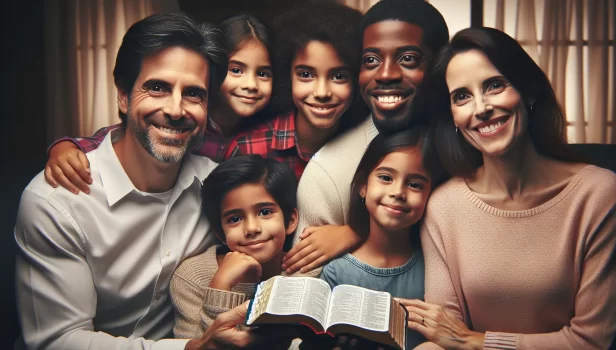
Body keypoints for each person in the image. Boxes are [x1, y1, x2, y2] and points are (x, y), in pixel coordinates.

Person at [14, 13, 281, 350]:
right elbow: (57, 341)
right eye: (157, 87)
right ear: (123, 96)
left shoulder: (217, 186)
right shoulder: (57, 201)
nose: (175, 109)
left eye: (194, 94)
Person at [398, 27, 616, 350]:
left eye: (494, 85)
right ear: (453, 116)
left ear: (528, 91)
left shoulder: (599, 195)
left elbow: (590, 341)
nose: (481, 109)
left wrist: (475, 341)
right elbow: (446, 336)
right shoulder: (443, 205)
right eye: (462, 96)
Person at [283, 0, 449, 275]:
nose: (385, 75)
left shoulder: (471, 148)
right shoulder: (329, 172)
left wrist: (357, 231)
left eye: (407, 59)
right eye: (371, 60)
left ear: (439, 64)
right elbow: (299, 292)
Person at [43, 14, 275, 194]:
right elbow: (114, 137)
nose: (250, 84)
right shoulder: (197, 124)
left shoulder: (265, 133)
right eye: (236, 70)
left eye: (264, 73)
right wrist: (65, 148)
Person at [320, 128, 443, 349]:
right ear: (363, 187)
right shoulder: (337, 273)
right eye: (386, 178)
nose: (398, 192)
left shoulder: (434, 267)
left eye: (415, 184)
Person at [226, 1, 368, 180]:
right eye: (306, 74)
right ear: (288, 76)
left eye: (338, 77)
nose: (322, 92)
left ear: (356, 80)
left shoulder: (364, 145)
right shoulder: (247, 147)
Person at [169, 155, 297, 339]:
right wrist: (220, 286)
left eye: (265, 212)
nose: (252, 228)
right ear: (220, 234)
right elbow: (197, 346)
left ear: (290, 221)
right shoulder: (191, 277)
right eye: (235, 219)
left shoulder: (301, 267)